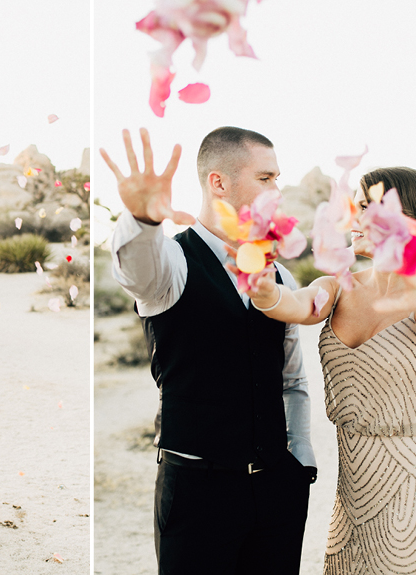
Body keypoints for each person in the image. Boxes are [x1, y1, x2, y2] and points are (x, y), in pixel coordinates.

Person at [100, 127, 317, 574]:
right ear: (219, 182)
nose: (277, 189)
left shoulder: (280, 277)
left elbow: (291, 380)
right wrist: (141, 220)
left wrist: (300, 462)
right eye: (265, 177)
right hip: (198, 495)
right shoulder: (175, 263)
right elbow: (137, 271)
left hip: (278, 494)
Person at [245, 167, 416, 574]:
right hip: (353, 498)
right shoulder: (337, 287)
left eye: (367, 206)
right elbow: (293, 304)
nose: (353, 216)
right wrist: (263, 291)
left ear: (407, 219)